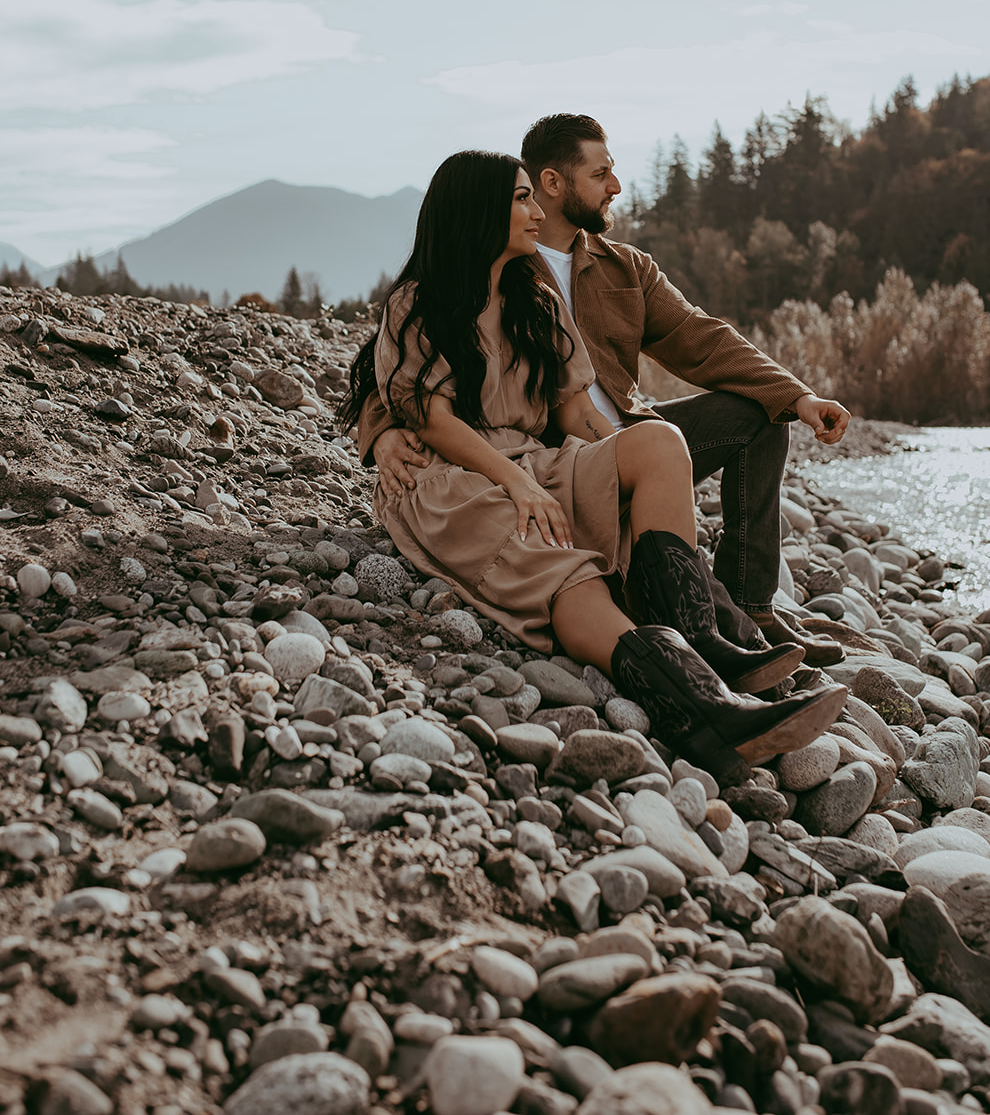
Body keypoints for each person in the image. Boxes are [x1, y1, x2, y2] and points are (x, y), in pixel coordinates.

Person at [339, 149, 847, 784]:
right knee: (568, 571)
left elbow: (580, 412)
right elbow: (431, 417)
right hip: (452, 482)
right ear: (479, 213)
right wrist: (511, 481)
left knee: (658, 442)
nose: (534, 210)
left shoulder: (538, 299)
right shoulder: (419, 302)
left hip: (537, 459)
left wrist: (620, 474)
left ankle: (701, 641)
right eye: (521, 199)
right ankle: (703, 712)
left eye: (532, 195)